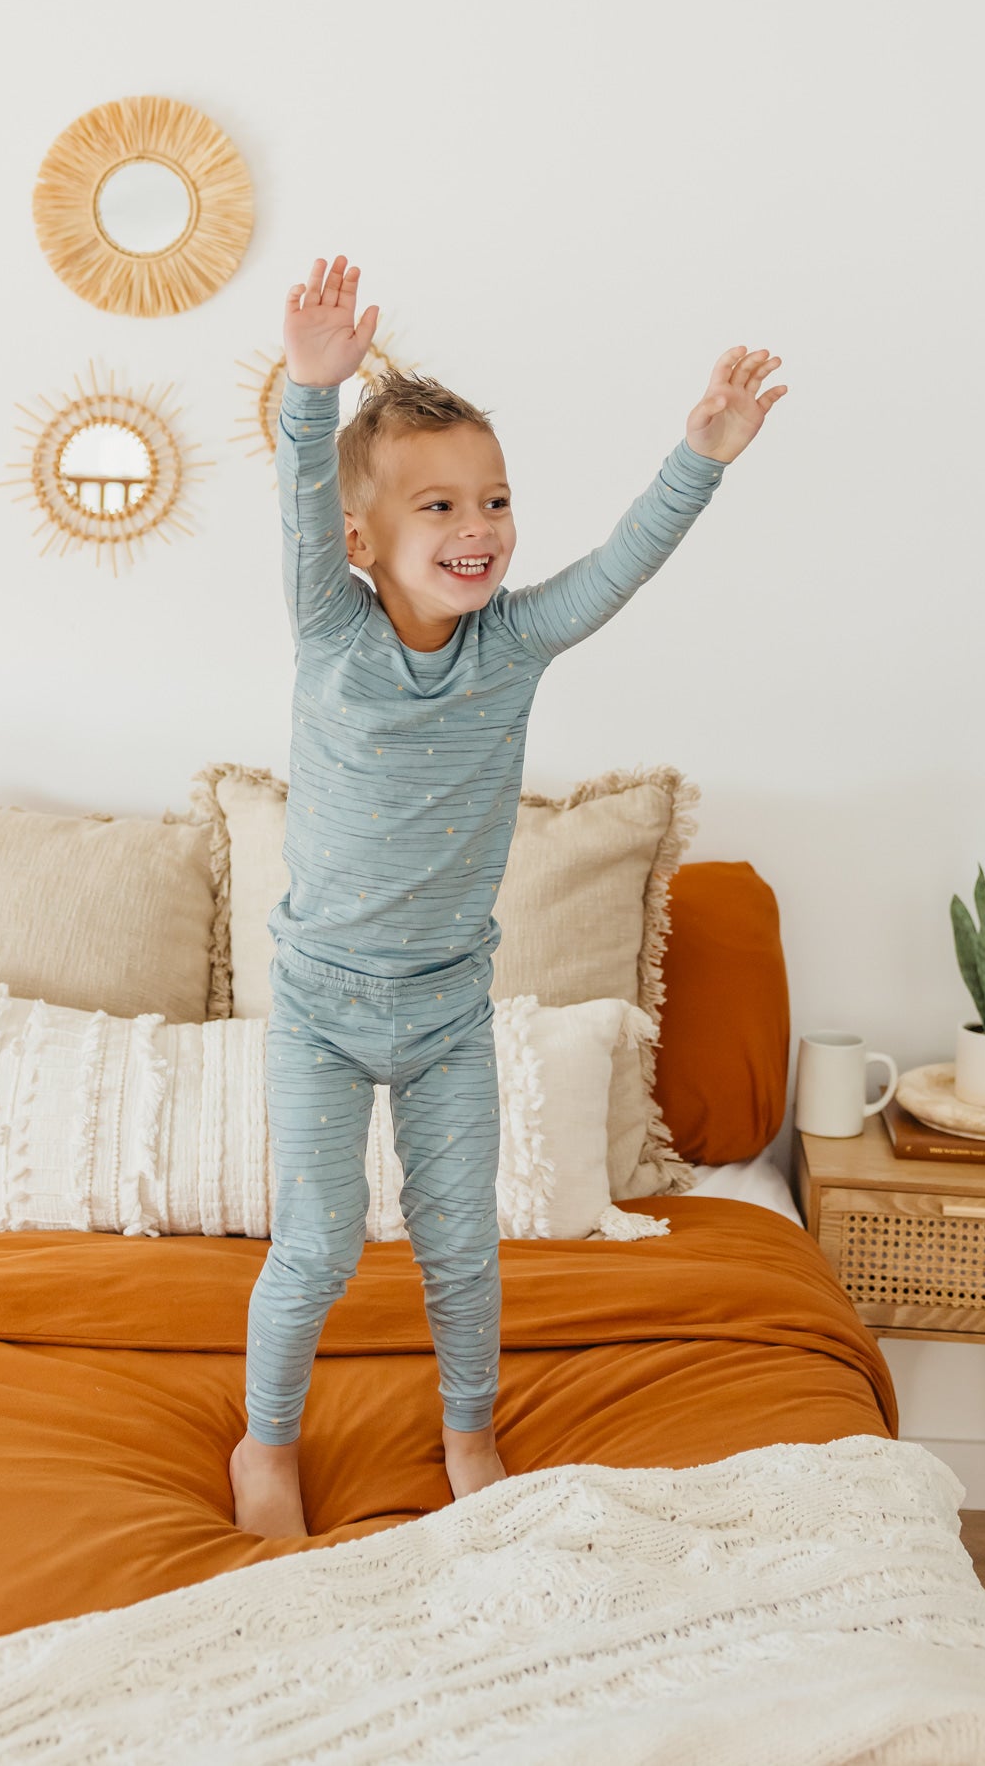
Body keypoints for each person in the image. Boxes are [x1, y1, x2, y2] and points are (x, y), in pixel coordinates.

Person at [229, 254, 786, 1537]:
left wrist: (699, 455)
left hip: (444, 1012)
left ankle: (467, 1431)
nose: (476, 524)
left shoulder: (513, 644)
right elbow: (301, 503)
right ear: (363, 541)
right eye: (437, 504)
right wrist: (311, 391)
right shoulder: (330, 626)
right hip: (318, 1008)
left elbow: (617, 566)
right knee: (314, 1240)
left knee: (460, 1241)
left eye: (493, 498)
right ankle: (267, 1442)